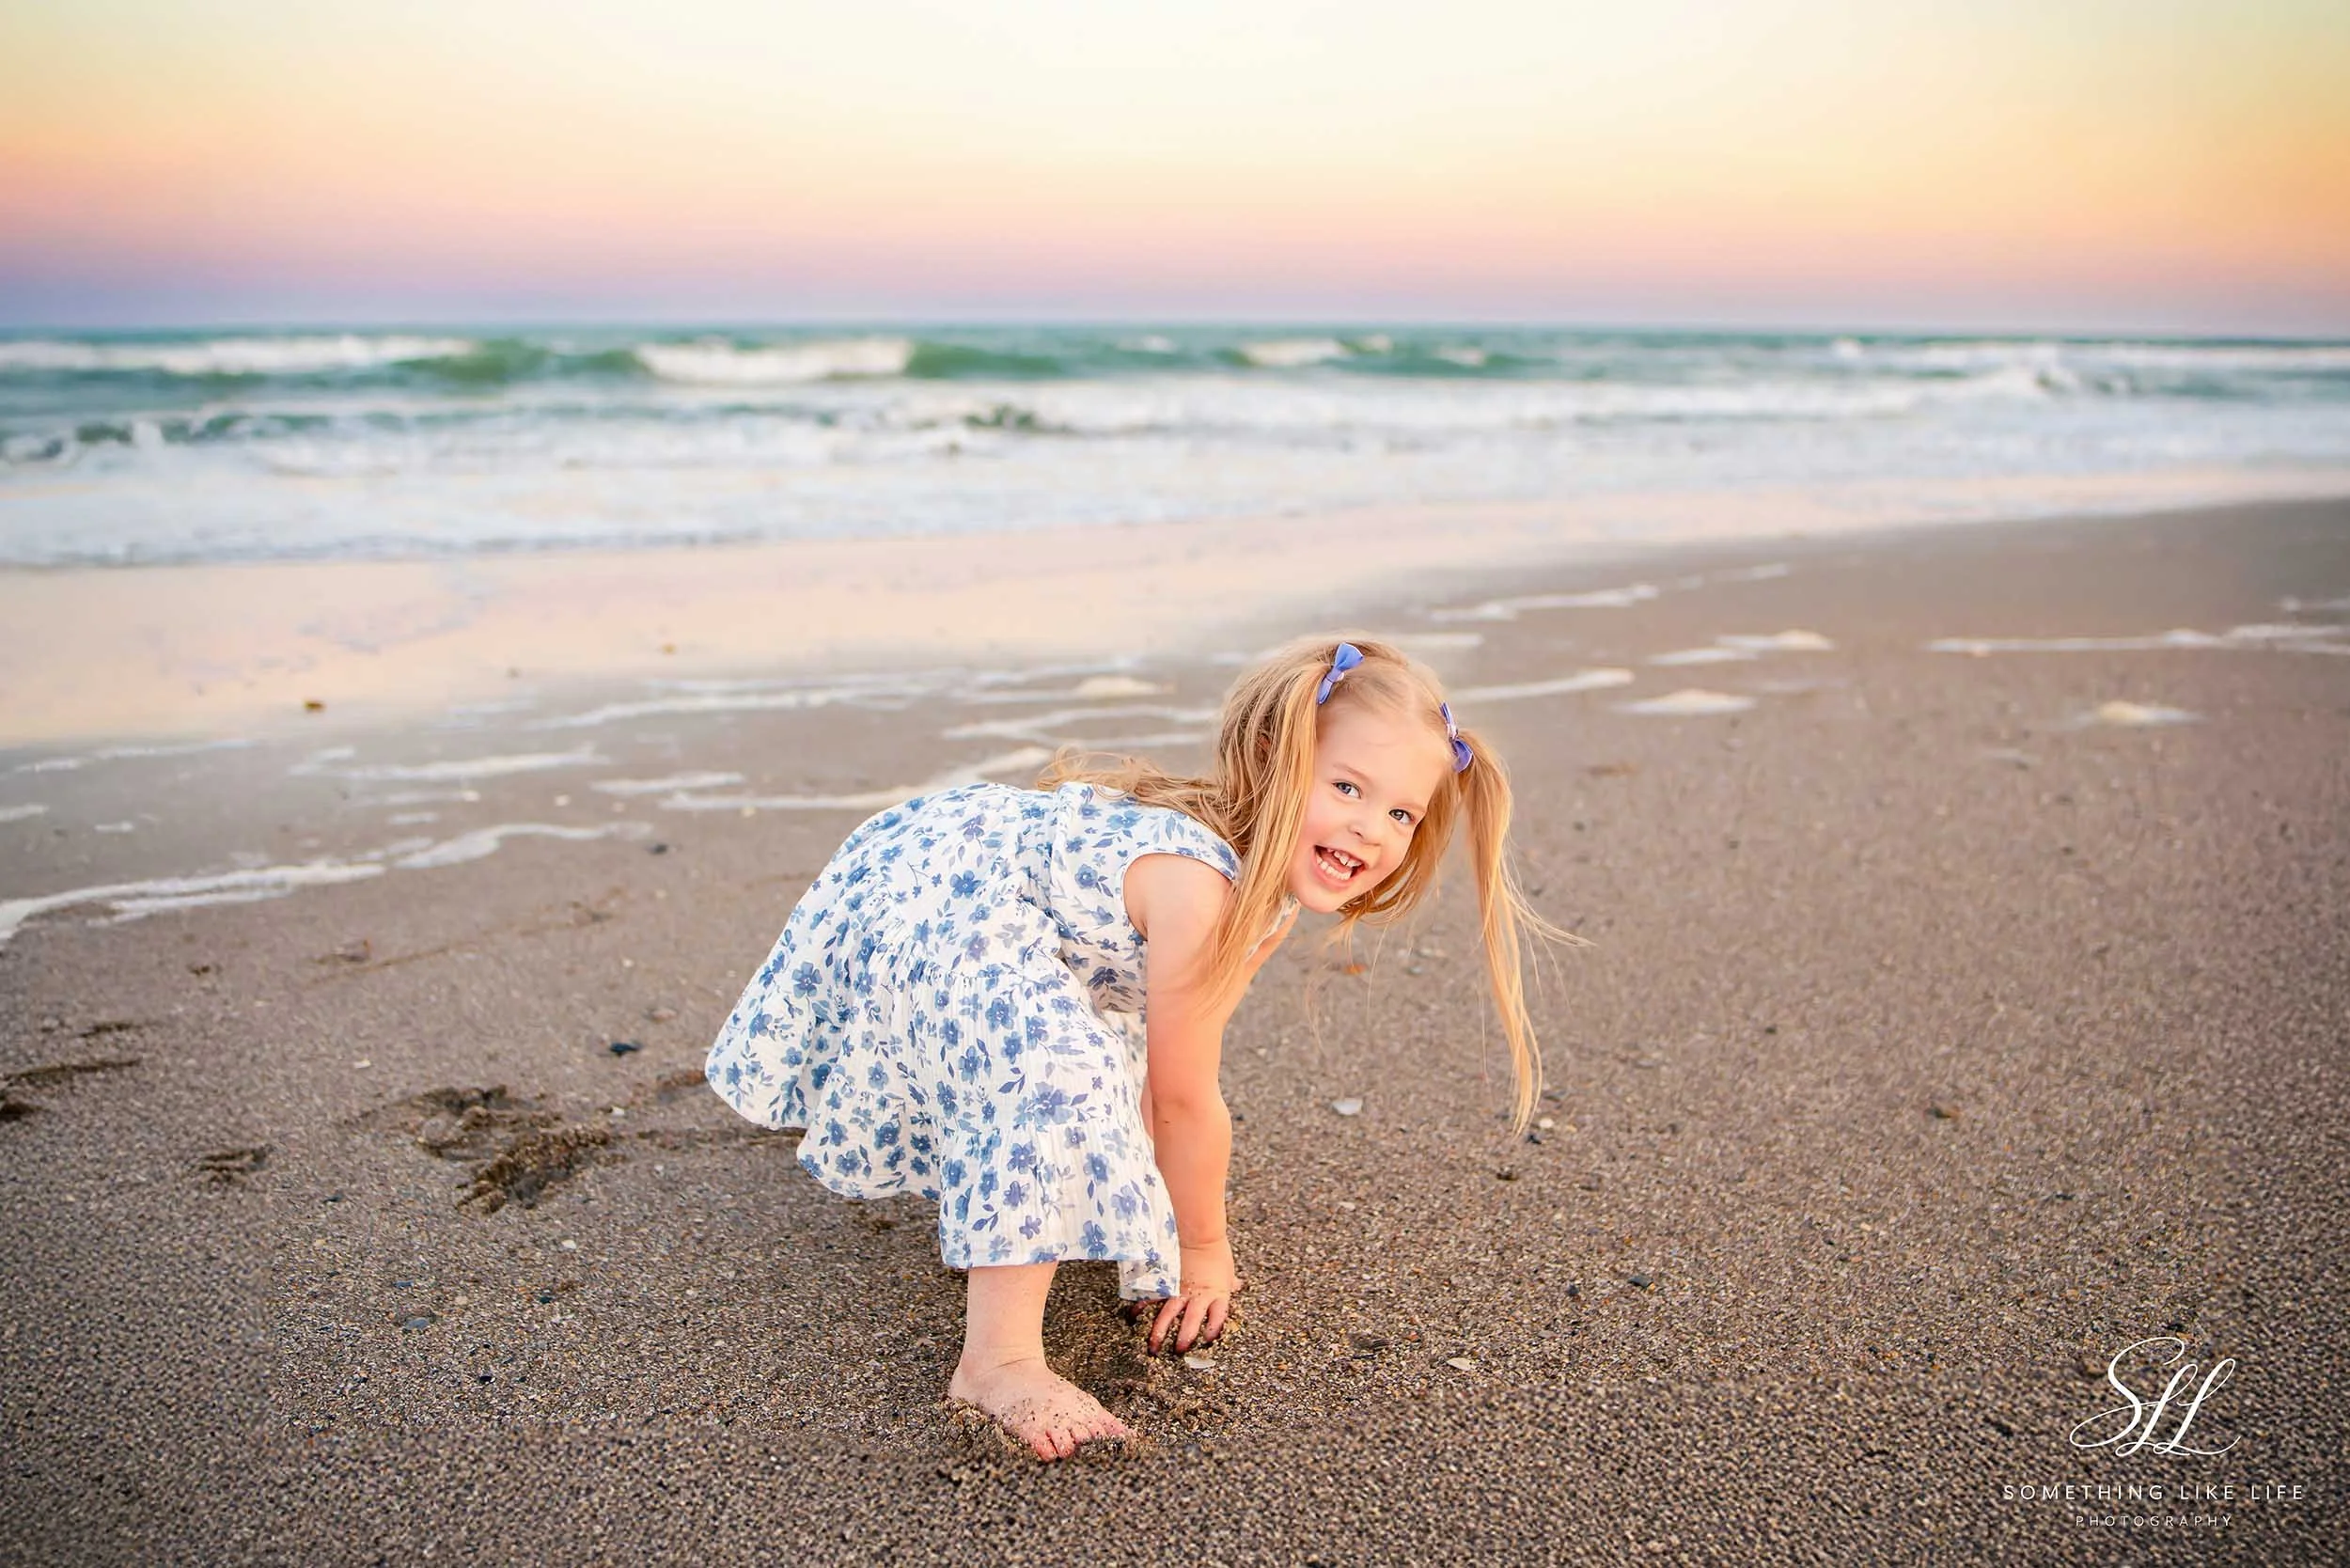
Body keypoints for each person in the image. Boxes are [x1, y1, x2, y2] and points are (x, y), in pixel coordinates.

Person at [706, 634, 1562, 1459]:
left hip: (974, 879)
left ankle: (1026, 1213)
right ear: (1271, 757)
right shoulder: (1200, 887)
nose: (1373, 828)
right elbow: (1188, 1098)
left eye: (1402, 811)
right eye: (1346, 787)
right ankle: (997, 1362)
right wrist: (1200, 1248)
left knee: (1102, 1049)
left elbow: (1165, 1061)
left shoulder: (1261, 885)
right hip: (942, 896)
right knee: (1055, 1075)